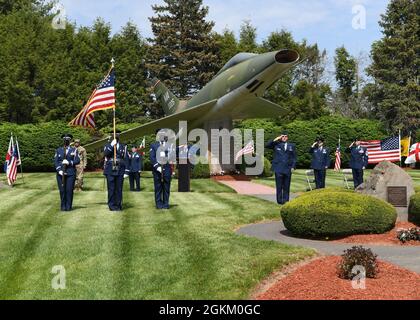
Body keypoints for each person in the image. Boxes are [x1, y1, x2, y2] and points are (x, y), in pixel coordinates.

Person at [266, 131, 297, 205]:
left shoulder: (291, 145)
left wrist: (293, 166)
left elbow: (294, 158)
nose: (284, 138)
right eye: (282, 136)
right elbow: (267, 145)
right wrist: (276, 139)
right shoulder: (276, 144)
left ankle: (286, 200)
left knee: (286, 186)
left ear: (287, 137)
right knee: (279, 186)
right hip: (278, 168)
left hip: (287, 168)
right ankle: (279, 201)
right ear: (280, 137)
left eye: (285, 136)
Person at [103, 131, 129, 211]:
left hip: (120, 168)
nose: (116, 136)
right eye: (114, 134)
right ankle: (111, 205)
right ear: (111, 136)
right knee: (111, 188)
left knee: (119, 188)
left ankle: (118, 205)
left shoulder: (123, 146)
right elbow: (106, 154)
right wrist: (111, 145)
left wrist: (126, 171)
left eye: (117, 134)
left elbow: (126, 158)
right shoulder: (107, 145)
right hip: (110, 168)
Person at [54, 134, 80, 211]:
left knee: (69, 191)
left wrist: (69, 162)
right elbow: (56, 161)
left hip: (70, 173)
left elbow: (77, 160)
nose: (66, 141)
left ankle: (68, 207)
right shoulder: (59, 150)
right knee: (62, 190)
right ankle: (63, 206)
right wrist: (59, 170)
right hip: (60, 173)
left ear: (70, 141)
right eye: (65, 140)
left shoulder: (74, 150)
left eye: (68, 140)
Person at [150, 129, 175, 210]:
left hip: (167, 169)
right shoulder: (153, 145)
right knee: (158, 188)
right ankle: (159, 204)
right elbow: (152, 157)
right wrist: (157, 167)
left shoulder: (169, 145)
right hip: (157, 170)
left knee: (166, 187)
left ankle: (166, 204)